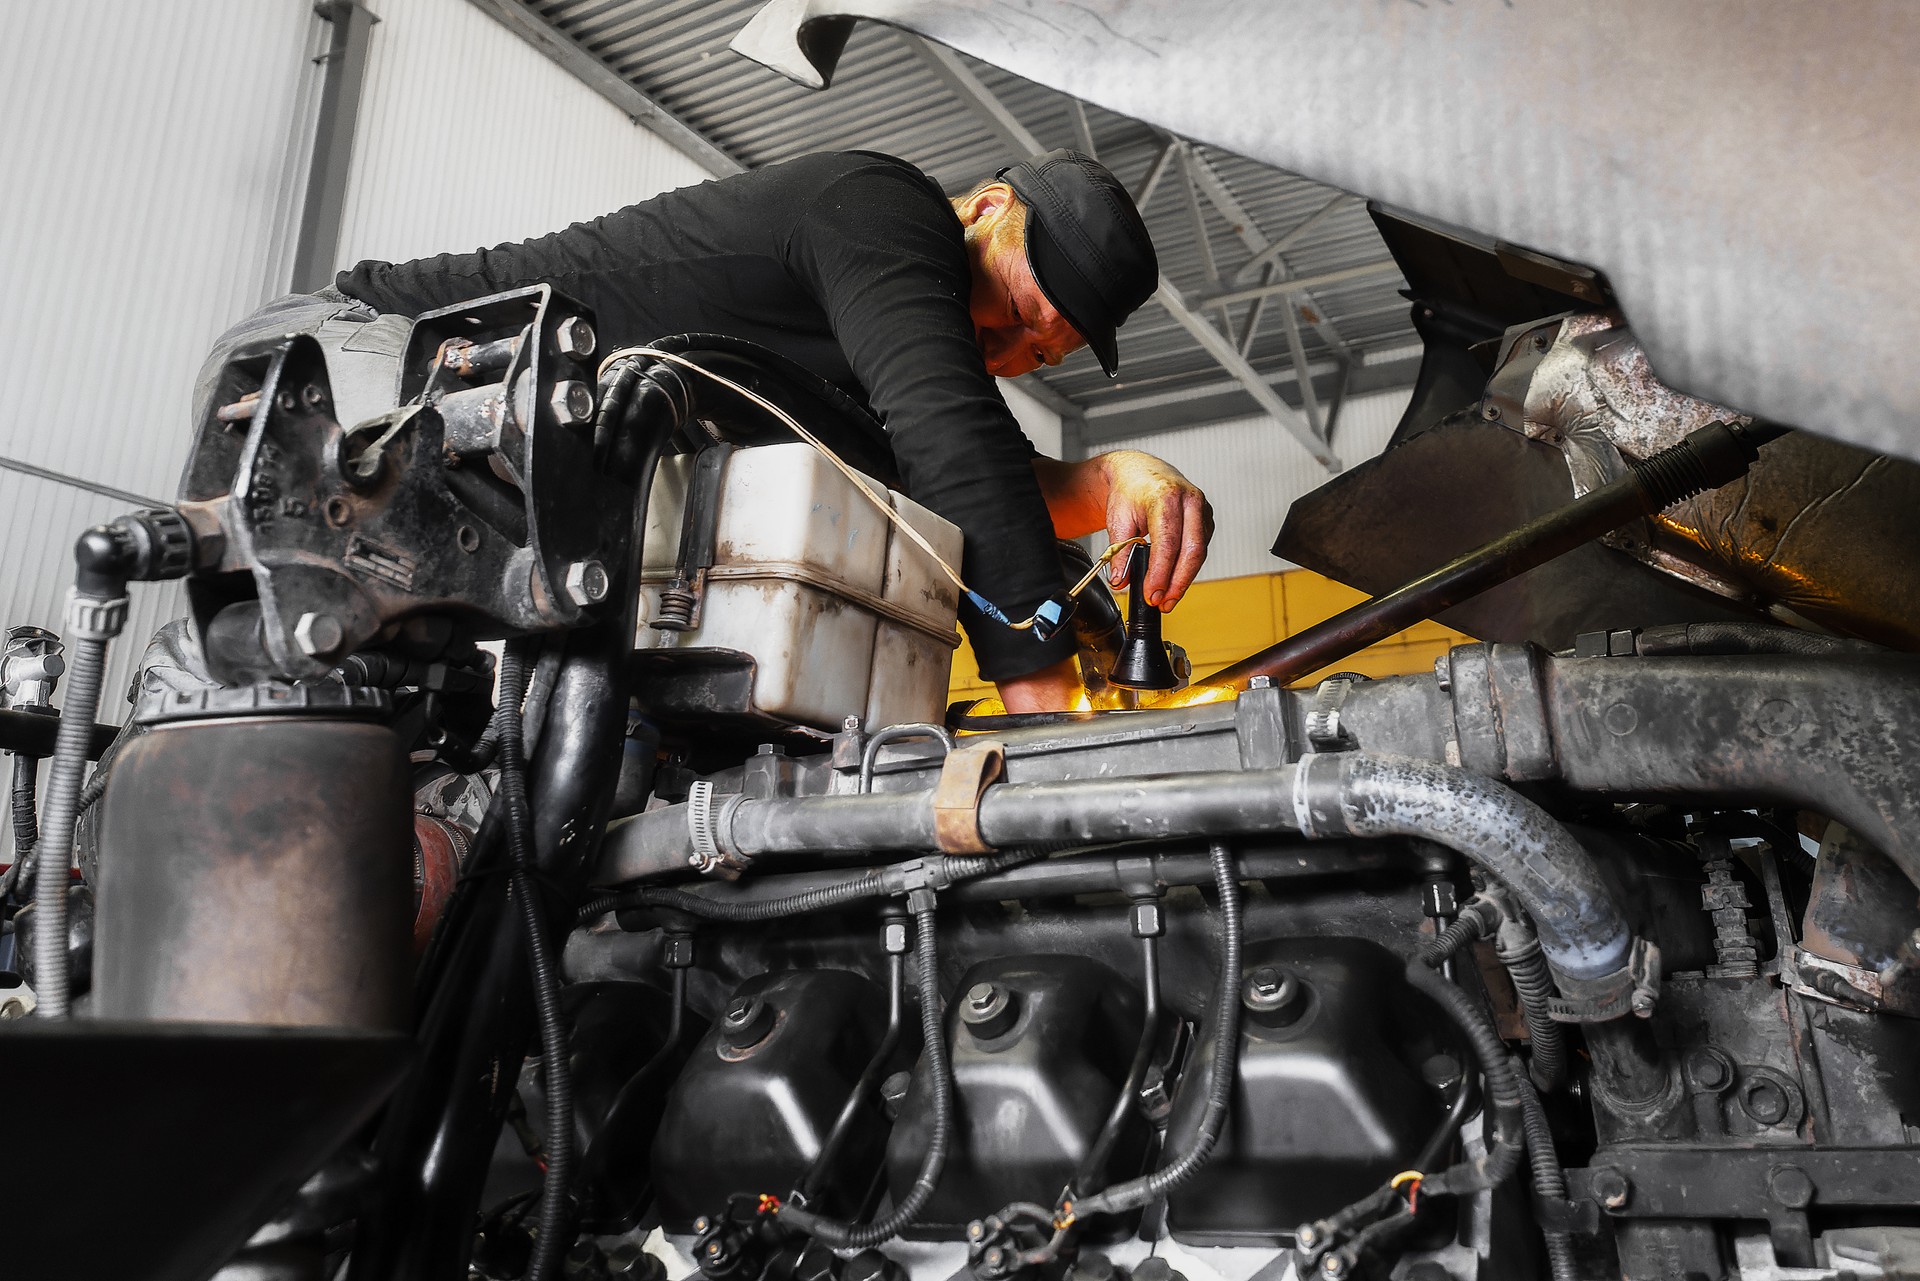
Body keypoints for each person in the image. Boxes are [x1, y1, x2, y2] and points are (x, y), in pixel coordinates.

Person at [327, 149, 1212, 710]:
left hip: (499, 460)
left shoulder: (862, 372)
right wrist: (1048, 721)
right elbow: (959, 447)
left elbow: (994, 485)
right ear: (985, 209)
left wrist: (1116, 478)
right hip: (375, 366)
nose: (1011, 346)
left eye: (1038, 354)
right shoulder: (882, 208)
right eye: (1020, 307)